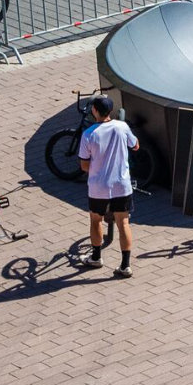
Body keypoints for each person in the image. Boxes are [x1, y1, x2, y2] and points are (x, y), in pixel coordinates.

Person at [74, 94, 138, 278]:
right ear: (110, 111)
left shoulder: (88, 135)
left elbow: (84, 165)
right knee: (123, 222)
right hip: (121, 185)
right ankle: (125, 265)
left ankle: (96, 257)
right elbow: (135, 146)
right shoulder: (122, 127)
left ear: (94, 111)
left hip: (98, 187)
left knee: (96, 220)